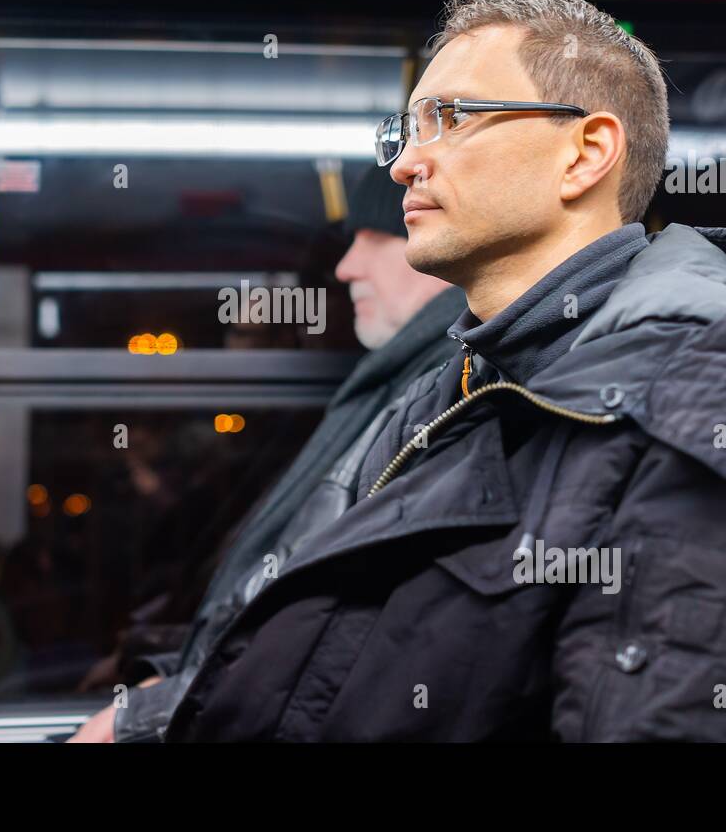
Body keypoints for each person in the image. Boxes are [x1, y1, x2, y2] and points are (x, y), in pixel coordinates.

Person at [165, 0, 726, 742]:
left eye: (448, 119)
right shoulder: (466, 380)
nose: (407, 163)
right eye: (404, 132)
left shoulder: (706, 407)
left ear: (585, 153)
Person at [68, 166, 464, 741]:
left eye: (375, 238)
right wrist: (159, 667)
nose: (346, 265)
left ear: (437, 248)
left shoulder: (436, 402)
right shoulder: (379, 394)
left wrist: (148, 711)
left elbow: (328, 633)